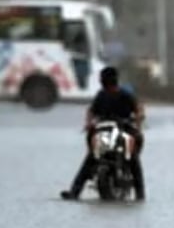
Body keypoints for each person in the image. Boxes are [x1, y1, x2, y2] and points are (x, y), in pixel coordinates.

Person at [60, 66, 146, 201]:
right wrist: (89, 123)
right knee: (91, 157)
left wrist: (138, 118)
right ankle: (74, 192)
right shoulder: (101, 95)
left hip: (123, 128)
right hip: (104, 129)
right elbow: (91, 110)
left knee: (132, 157)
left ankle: (140, 194)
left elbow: (138, 109)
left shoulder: (125, 95)